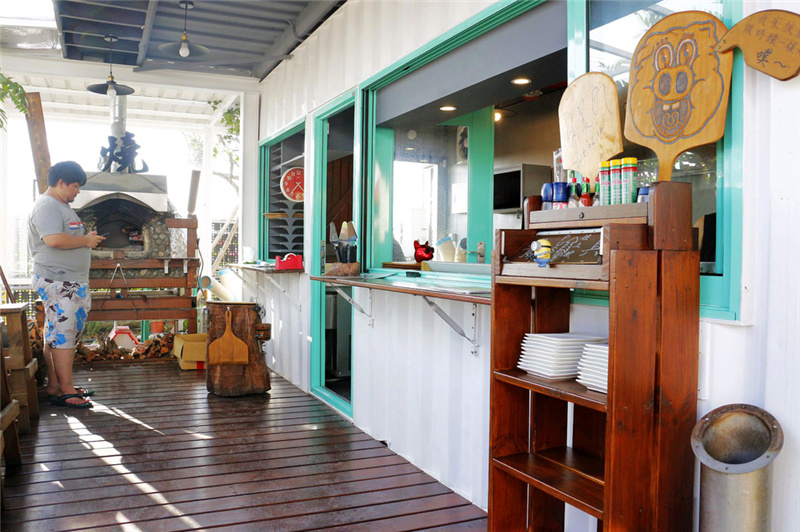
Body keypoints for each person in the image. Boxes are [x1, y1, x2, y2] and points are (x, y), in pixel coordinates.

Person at [28, 161, 105, 408]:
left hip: (68, 281)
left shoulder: (59, 206)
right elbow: (52, 239)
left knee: (58, 334)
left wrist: (85, 239)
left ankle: (55, 385)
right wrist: (85, 241)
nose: (78, 191)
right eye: (75, 186)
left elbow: (64, 236)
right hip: (58, 280)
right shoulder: (47, 206)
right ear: (61, 182)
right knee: (64, 334)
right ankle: (66, 389)